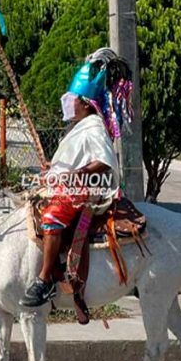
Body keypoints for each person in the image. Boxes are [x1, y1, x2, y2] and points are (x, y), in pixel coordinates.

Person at [20, 53, 124, 308]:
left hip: (88, 190)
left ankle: (44, 280)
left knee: (52, 216)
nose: (69, 104)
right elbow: (74, 159)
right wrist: (54, 168)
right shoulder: (80, 126)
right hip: (69, 185)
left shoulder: (94, 126)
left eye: (74, 100)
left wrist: (73, 174)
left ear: (86, 103)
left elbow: (103, 162)